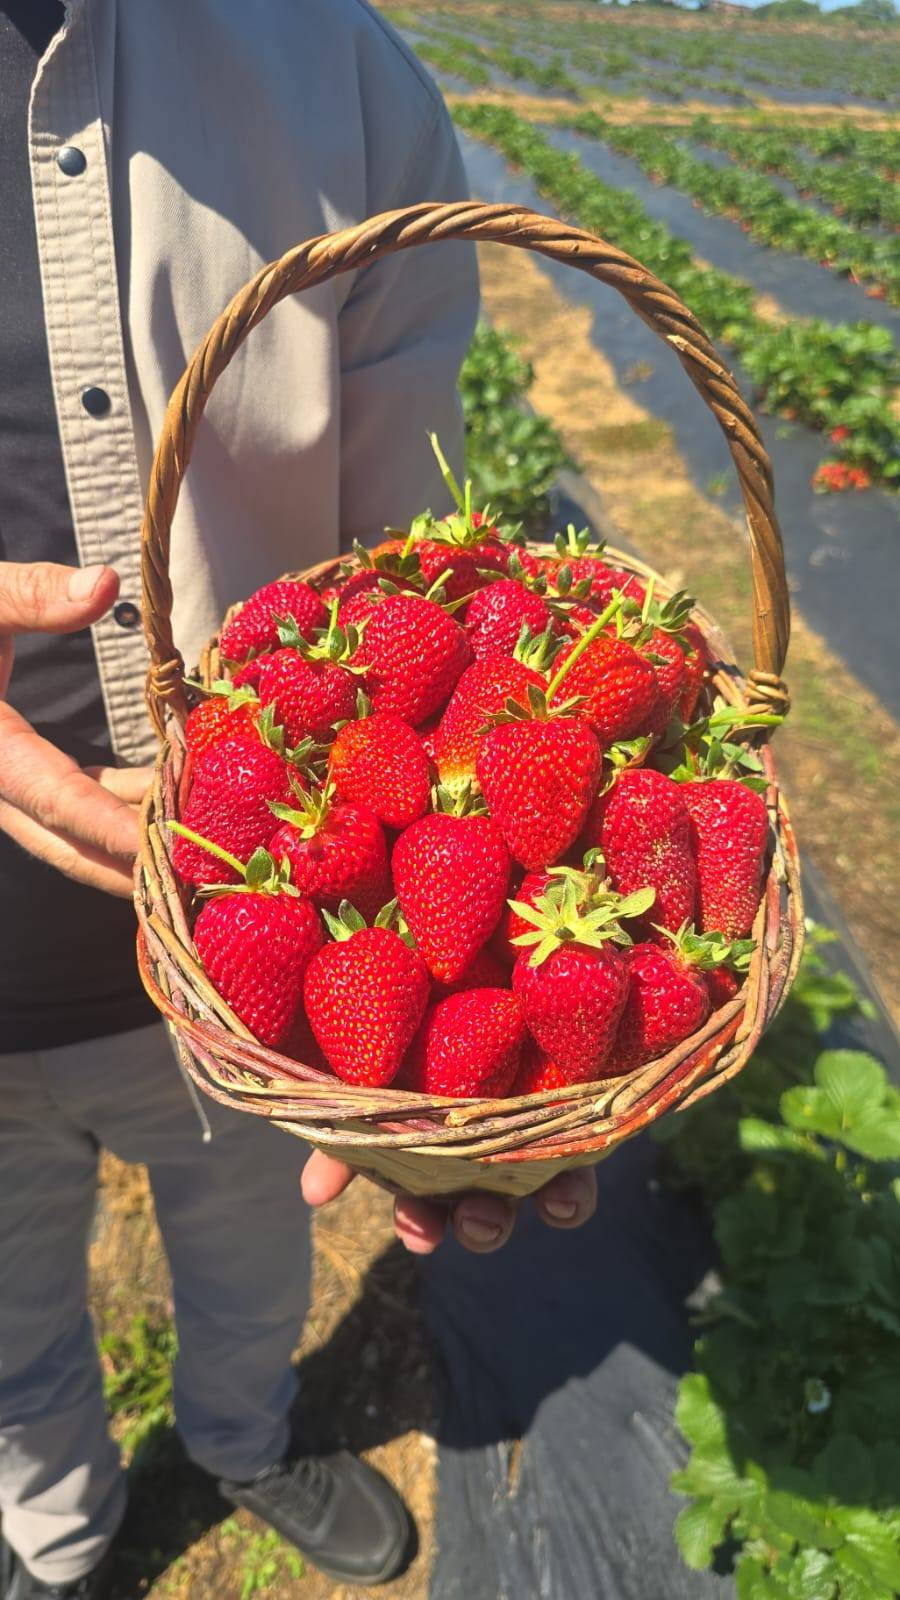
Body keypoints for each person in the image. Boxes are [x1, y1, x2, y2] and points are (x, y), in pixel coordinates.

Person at [0, 1, 599, 1594]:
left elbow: (423, 595)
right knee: (4, 1320)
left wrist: (506, 1004)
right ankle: (51, 1537)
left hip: (260, 939)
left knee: (253, 1247)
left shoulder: (328, 62)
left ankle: (242, 1445)